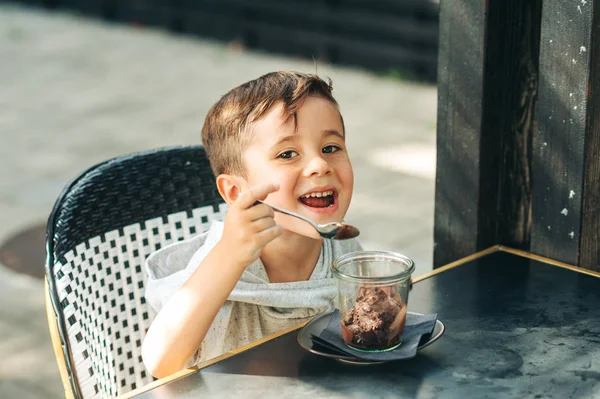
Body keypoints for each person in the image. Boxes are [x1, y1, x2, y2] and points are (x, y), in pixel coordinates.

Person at [141, 71, 361, 378]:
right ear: (235, 192)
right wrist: (230, 255)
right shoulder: (221, 263)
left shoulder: (342, 247)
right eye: (287, 153)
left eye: (330, 148)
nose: (320, 165)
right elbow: (160, 363)